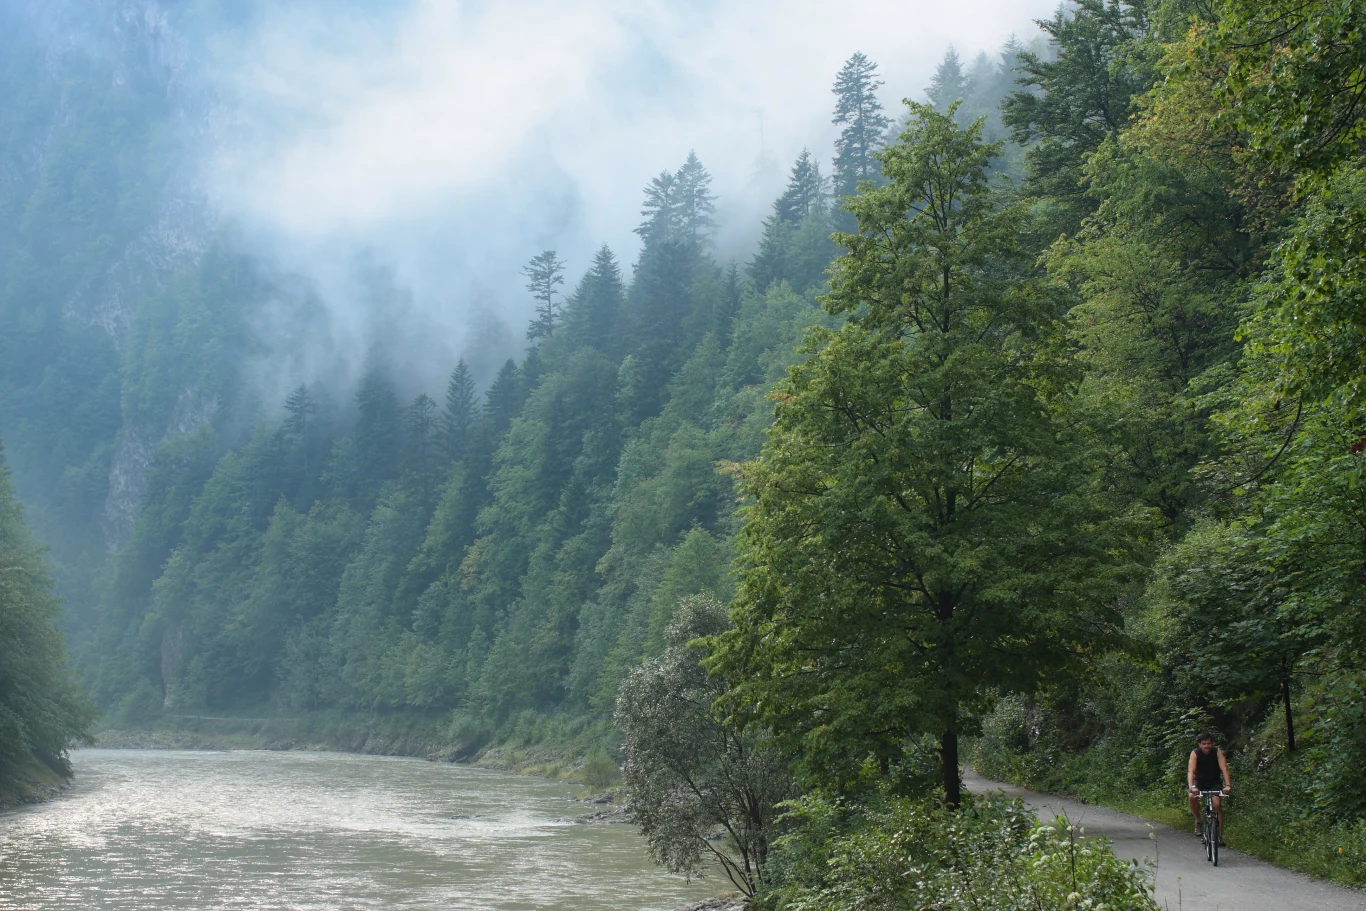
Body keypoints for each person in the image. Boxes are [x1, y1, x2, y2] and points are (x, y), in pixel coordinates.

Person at [1187, 731, 1231, 840]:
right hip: (1199, 782)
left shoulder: (1217, 752)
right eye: (1204, 744)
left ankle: (1220, 836)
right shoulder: (1195, 753)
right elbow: (1191, 771)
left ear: (1212, 743)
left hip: (1214, 782)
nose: (1207, 746)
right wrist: (1192, 786)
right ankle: (1198, 821)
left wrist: (1228, 785)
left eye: (1209, 743)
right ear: (1199, 744)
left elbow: (1224, 768)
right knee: (1192, 797)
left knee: (1216, 805)